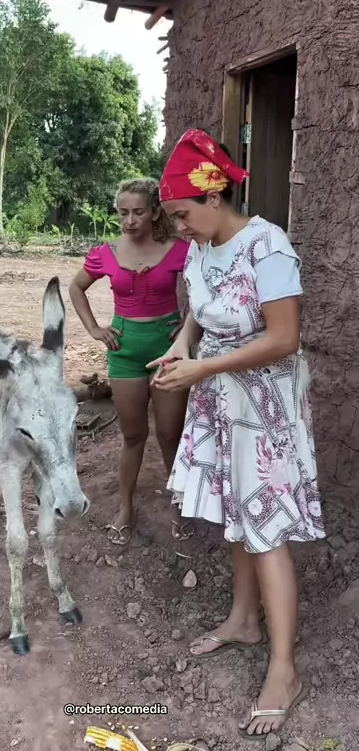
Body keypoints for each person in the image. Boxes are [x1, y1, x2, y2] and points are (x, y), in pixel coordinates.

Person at [147, 130, 325, 740]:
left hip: (263, 404)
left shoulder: (267, 245)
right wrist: (181, 347)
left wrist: (204, 369)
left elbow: (284, 339)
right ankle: (244, 619)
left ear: (214, 196)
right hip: (220, 395)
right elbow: (199, 312)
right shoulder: (202, 249)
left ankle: (285, 671)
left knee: (265, 526)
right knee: (237, 513)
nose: (179, 228)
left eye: (182, 214)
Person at [69, 179, 192, 546]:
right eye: (123, 212)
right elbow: (76, 287)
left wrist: (188, 327)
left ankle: (179, 503)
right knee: (133, 435)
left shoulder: (180, 250)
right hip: (124, 351)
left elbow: (208, 288)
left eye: (138, 212)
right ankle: (125, 506)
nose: (129, 220)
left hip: (168, 351)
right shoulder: (105, 253)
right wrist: (94, 329)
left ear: (154, 212)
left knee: (170, 434)